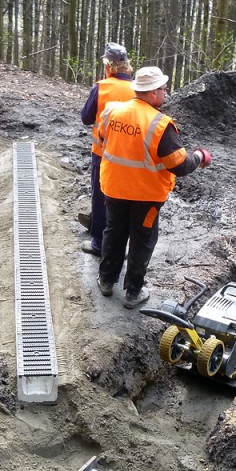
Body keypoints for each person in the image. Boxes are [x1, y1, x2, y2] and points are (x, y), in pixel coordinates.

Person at [96, 66, 212, 308]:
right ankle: (133, 292)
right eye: (163, 89)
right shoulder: (160, 124)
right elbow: (179, 165)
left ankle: (106, 281)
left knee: (114, 231)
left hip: (114, 188)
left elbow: (101, 143)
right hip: (145, 196)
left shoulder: (111, 112)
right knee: (142, 240)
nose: (166, 93)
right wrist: (200, 156)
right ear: (151, 93)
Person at [79, 42, 134, 256]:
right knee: (126, 199)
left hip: (103, 154)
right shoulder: (138, 89)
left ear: (109, 66)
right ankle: (122, 244)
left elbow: (86, 117)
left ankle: (99, 244)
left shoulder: (101, 87)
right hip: (130, 156)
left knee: (101, 196)